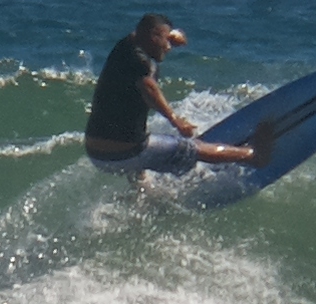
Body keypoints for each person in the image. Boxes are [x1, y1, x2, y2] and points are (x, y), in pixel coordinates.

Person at [85, 13, 271, 181]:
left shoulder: (125, 47)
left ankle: (143, 196)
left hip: (97, 153)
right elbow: (149, 88)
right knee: (192, 148)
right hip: (126, 152)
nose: (168, 47)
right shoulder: (139, 61)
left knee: (138, 163)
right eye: (165, 41)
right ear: (152, 36)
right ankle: (254, 156)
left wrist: (169, 35)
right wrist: (176, 120)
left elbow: (151, 34)